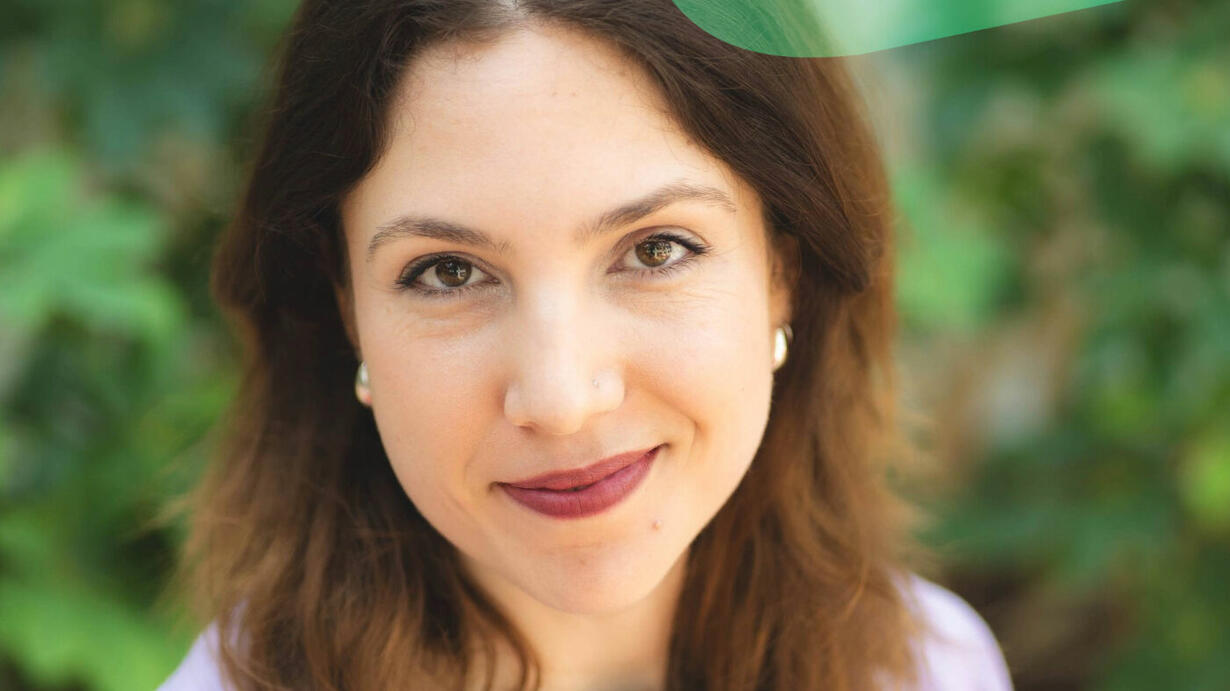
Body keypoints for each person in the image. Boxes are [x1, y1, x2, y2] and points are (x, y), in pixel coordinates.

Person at [160, 1, 1014, 689]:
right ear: (346, 306)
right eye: (449, 273)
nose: (561, 398)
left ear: (782, 270)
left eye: (656, 250)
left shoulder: (929, 667)